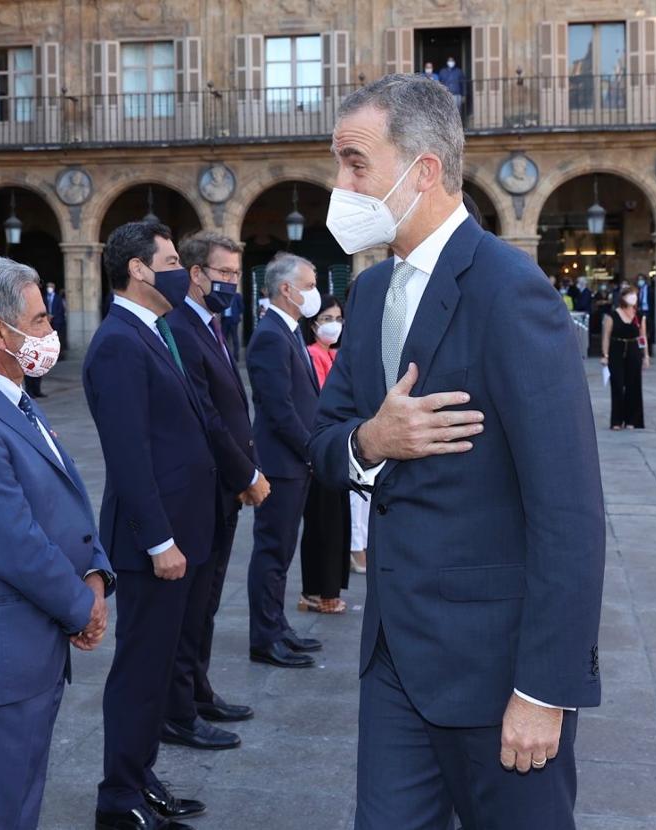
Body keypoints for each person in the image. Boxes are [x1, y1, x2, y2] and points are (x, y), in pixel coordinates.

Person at [311, 75, 605, 829]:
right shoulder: (371, 293)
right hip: (393, 664)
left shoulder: (511, 292)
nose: (339, 184)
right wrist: (371, 440)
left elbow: (568, 509)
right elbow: (320, 440)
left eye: (354, 162)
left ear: (425, 171)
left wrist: (546, 691)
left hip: (496, 672)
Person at [0, 255, 113, 830]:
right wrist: (83, 607)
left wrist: (96, 572)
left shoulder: (14, 399)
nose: (49, 333)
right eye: (37, 322)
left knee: (20, 805)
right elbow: (13, 542)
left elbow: (66, 497)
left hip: (29, 652)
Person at [84, 220, 217, 830]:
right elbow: (130, 453)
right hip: (151, 544)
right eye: (167, 259)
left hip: (181, 533)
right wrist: (159, 540)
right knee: (140, 671)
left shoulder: (153, 331)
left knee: (159, 667)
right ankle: (119, 798)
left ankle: (140, 774)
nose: (178, 270)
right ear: (137, 269)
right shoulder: (117, 342)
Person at [163, 231, 269, 752]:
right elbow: (206, 415)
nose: (231, 283)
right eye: (223, 274)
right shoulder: (181, 327)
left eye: (234, 274)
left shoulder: (214, 324)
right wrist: (246, 474)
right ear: (196, 273)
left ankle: (199, 690)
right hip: (202, 488)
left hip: (221, 489)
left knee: (205, 603)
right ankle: (178, 711)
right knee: (186, 609)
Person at [245, 253, 323, 669]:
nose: (314, 293)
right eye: (309, 285)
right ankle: (265, 637)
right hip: (281, 463)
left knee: (282, 551)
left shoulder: (288, 330)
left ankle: (278, 627)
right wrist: (311, 450)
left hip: (293, 463)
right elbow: (279, 409)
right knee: (272, 551)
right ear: (287, 290)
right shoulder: (271, 335)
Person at [298, 296, 351, 615]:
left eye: (339, 318)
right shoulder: (311, 355)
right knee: (323, 523)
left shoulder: (336, 354)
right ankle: (318, 591)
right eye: (328, 317)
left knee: (337, 522)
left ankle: (325, 589)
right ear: (314, 323)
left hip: (338, 446)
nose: (335, 324)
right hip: (320, 445)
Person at [601, 282, 649, 429]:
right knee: (617, 384)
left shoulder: (639, 316)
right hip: (617, 349)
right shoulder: (612, 315)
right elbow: (606, 336)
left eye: (634, 295)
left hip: (633, 350)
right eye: (630, 295)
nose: (633, 298)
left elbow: (642, 337)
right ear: (623, 297)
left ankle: (632, 420)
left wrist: (645, 355)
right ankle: (616, 420)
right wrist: (605, 354)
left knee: (633, 385)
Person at [26, 281, 64, 399]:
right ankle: (30, 390)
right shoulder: (25, 301)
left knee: (40, 364)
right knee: (30, 364)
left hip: (41, 338)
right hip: (30, 338)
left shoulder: (40, 300)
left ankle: (37, 390)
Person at [221, 289, 243, 357]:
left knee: (235, 338)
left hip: (233, 320)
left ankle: (236, 356)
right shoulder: (224, 295)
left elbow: (242, 307)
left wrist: (236, 314)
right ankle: (225, 356)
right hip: (225, 319)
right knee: (224, 338)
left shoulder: (237, 296)